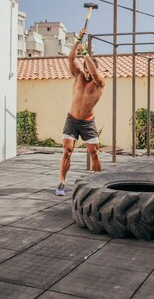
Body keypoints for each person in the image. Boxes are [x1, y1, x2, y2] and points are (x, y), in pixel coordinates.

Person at [55, 27, 105, 196]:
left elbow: (94, 71)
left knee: (94, 153)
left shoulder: (99, 82)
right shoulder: (78, 76)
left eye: (89, 69)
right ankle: (61, 183)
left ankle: (97, 183)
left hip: (87, 122)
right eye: (85, 68)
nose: (87, 71)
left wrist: (85, 53)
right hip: (72, 120)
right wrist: (78, 40)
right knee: (67, 150)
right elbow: (70, 58)